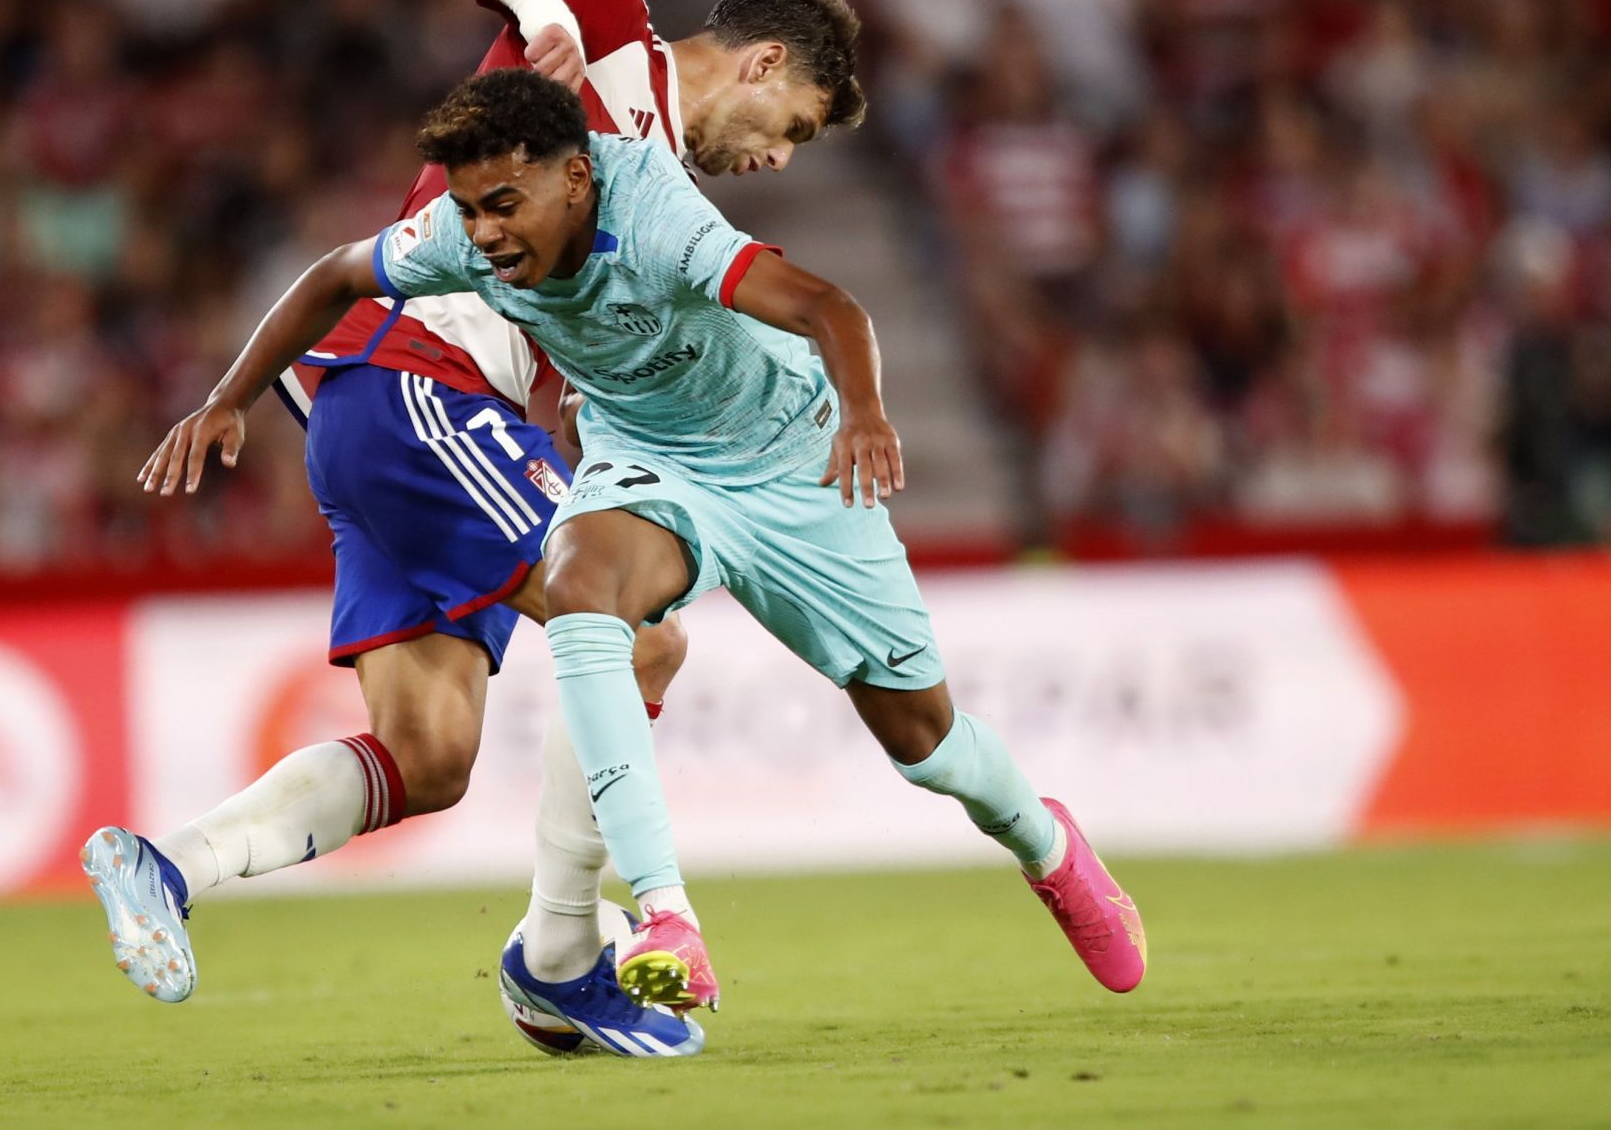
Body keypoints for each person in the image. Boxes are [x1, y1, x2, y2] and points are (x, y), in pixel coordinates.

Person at [139, 68, 1149, 1019]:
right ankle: (664, 915)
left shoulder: (661, 224)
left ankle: (1049, 846)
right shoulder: (461, 232)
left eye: (505, 206)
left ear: (576, 180)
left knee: (923, 744)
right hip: (656, 462)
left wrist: (867, 414)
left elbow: (829, 306)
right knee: (585, 594)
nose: (484, 235)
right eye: (472, 209)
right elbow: (332, 276)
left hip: (790, 466)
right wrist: (226, 400)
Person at [83, 0, 865, 1057]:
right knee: (641, 632)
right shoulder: (606, 25)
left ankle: (166, 866)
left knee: (431, 754)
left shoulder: (653, 199)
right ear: (761, 63)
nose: (775, 157)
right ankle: (559, 958)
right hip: (418, 387)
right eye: (794, 124)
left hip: (387, 412)